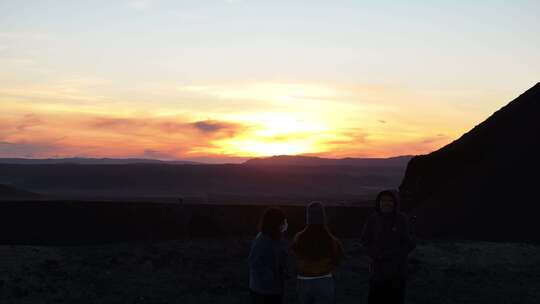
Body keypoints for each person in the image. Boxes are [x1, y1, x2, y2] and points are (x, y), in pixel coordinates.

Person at [360, 190, 416, 304]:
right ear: (378, 203)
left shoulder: (402, 219)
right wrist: (373, 254)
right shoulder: (373, 219)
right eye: (383, 200)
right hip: (377, 272)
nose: (386, 203)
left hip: (397, 272)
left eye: (389, 200)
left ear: (395, 203)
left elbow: (410, 243)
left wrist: (395, 255)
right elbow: (365, 240)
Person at [291, 202, 344, 304]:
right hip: (324, 279)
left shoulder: (299, 237)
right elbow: (338, 259)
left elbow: (294, 258)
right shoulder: (331, 239)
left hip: (304, 280)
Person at [248, 207, 289, 304]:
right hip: (263, 291)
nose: (284, 225)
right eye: (282, 222)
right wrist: (271, 277)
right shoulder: (261, 241)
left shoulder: (277, 239)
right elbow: (255, 264)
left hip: (274, 289)